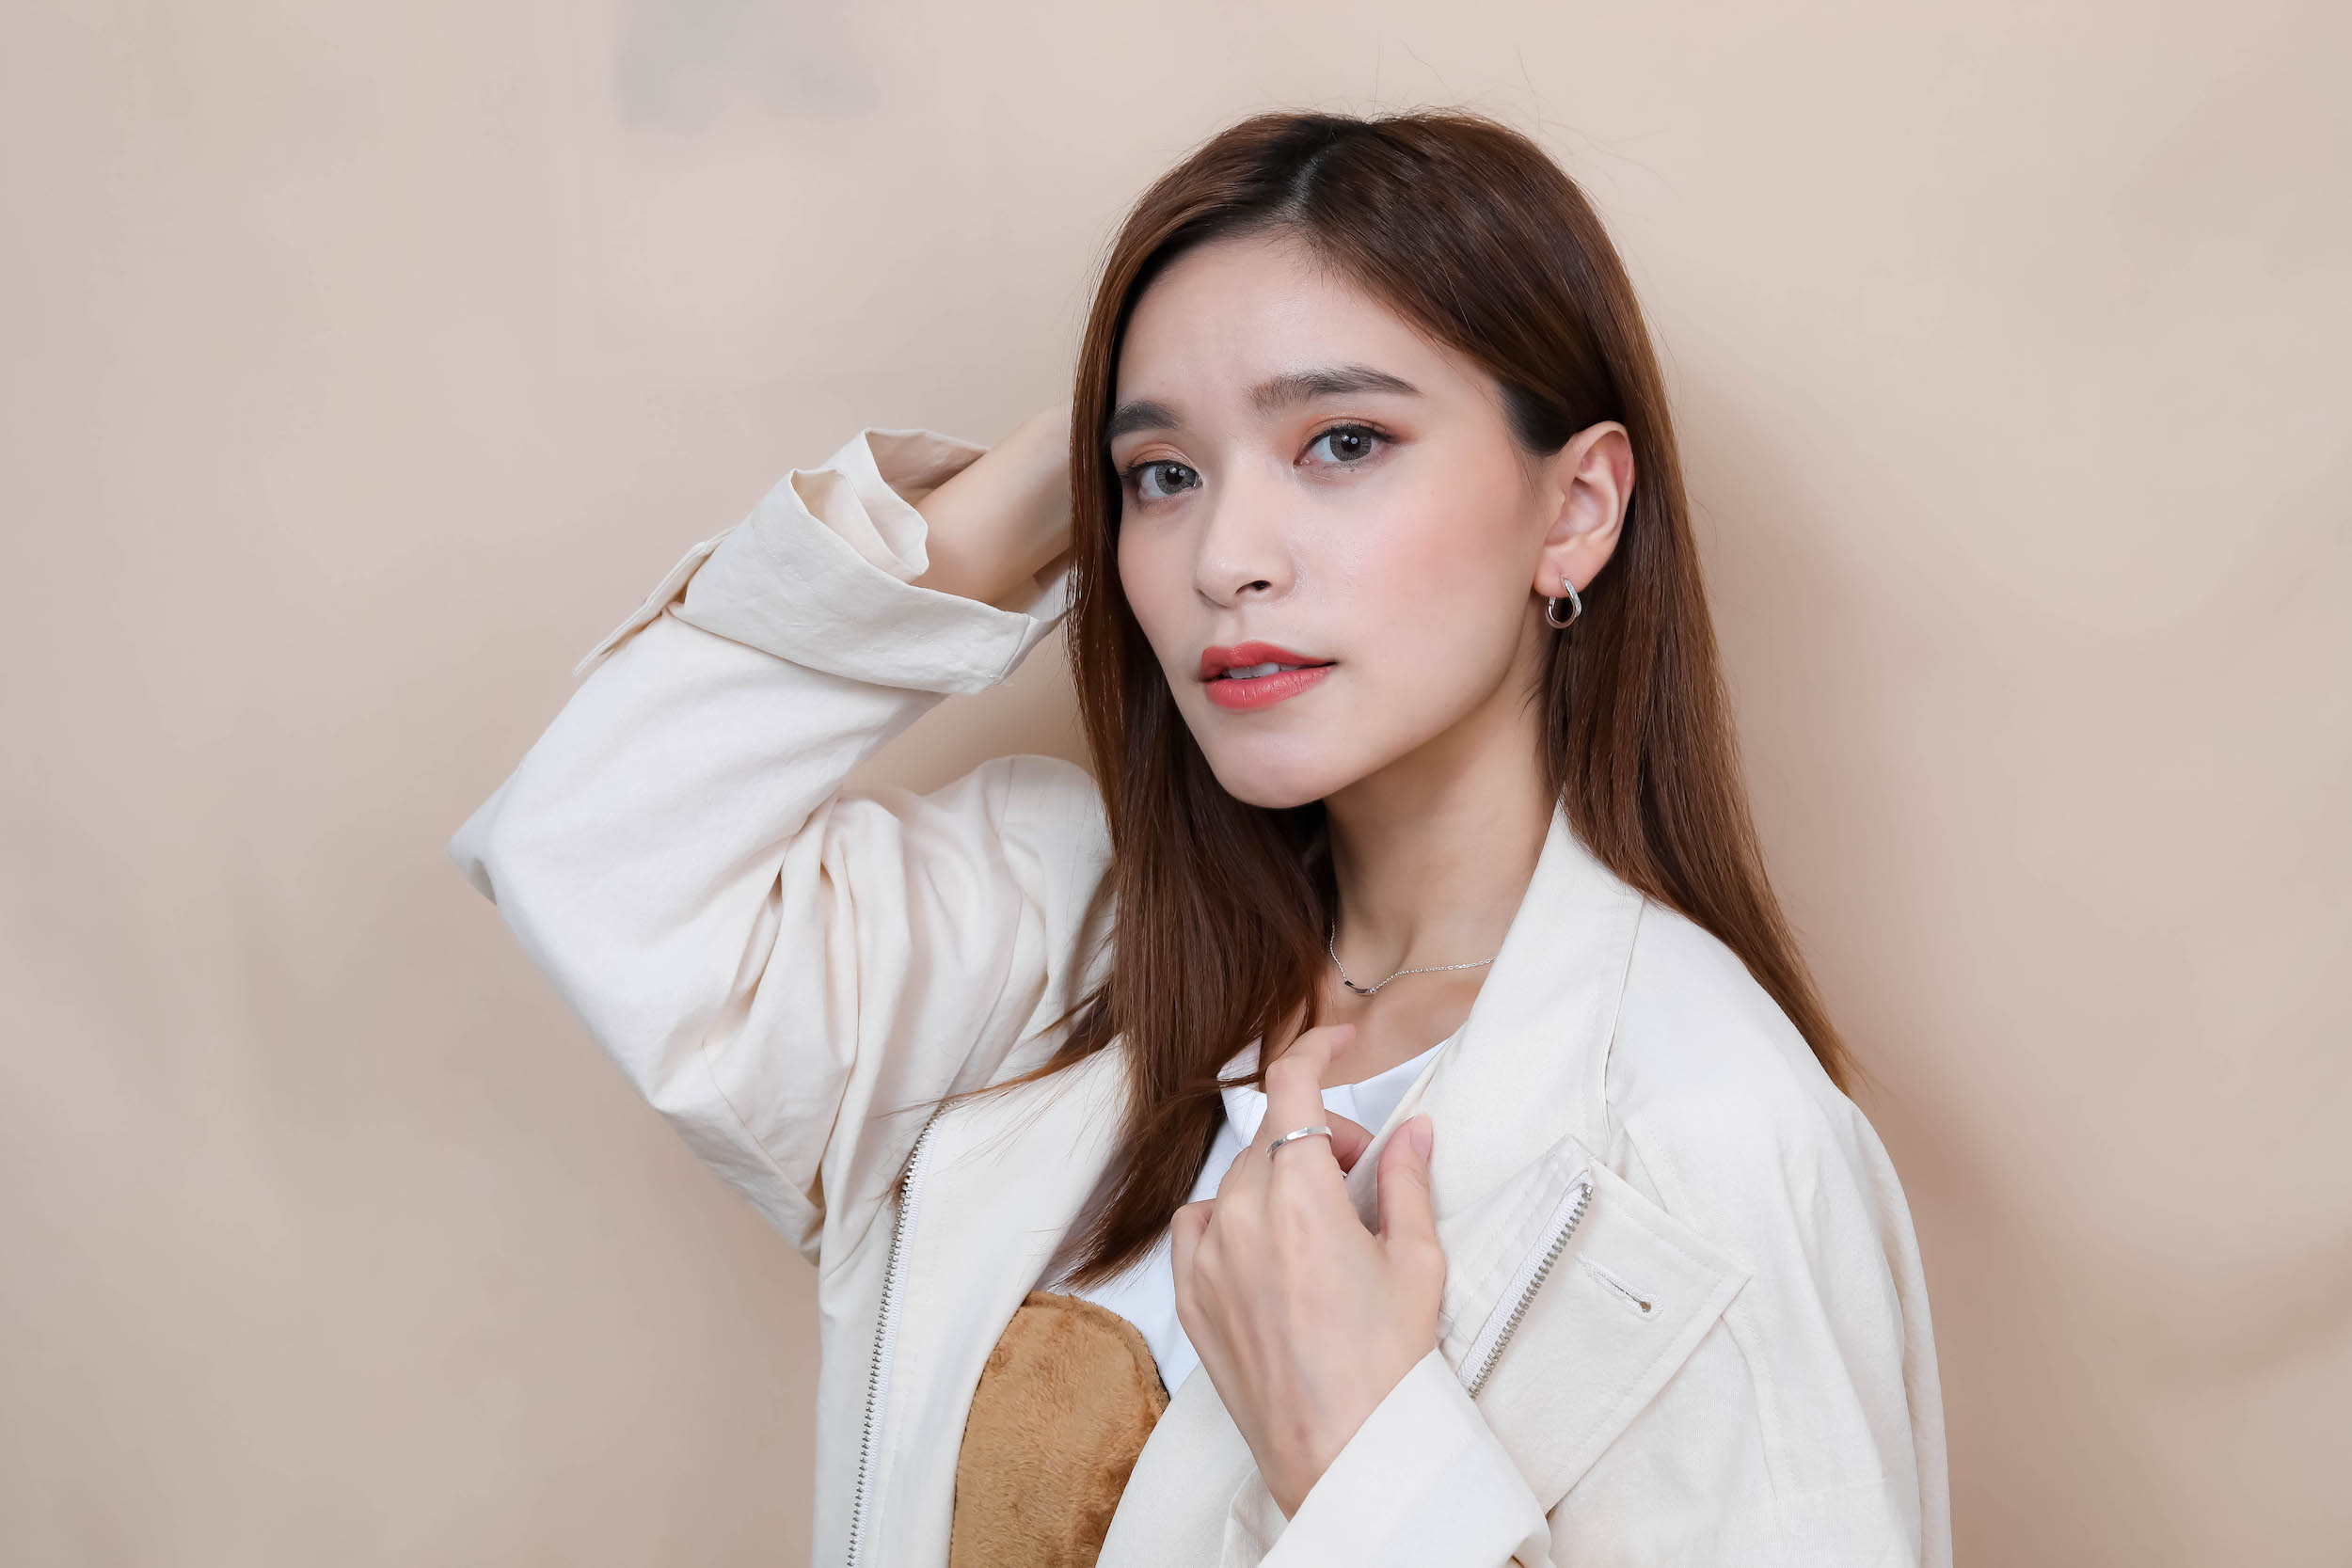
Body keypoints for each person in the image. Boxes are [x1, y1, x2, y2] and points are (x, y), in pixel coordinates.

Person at [448, 108, 1949, 1566]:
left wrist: (1362, 1465)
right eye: (1162, 479)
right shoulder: (1049, 953)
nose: (1225, 558)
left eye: (1343, 441)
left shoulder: (1703, 1143)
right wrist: (1055, 467)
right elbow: (591, 846)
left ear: (1575, 510)